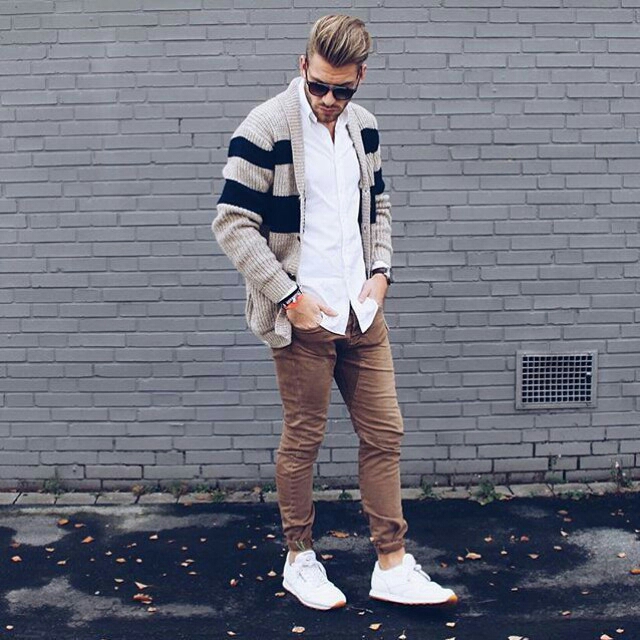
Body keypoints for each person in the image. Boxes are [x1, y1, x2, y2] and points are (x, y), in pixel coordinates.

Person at [212, 14, 458, 611]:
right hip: (303, 320)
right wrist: (288, 297)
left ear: (360, 79)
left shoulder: (363, 128)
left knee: (385, 435)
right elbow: (232, 223)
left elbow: (379, 206)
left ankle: (391, 565)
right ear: (303, 67)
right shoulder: (265, 127)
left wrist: (382, 272)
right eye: (318, 85)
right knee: (304, 440)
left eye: (341, 89)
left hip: (362, 314)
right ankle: (299, 558)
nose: (327, 99)